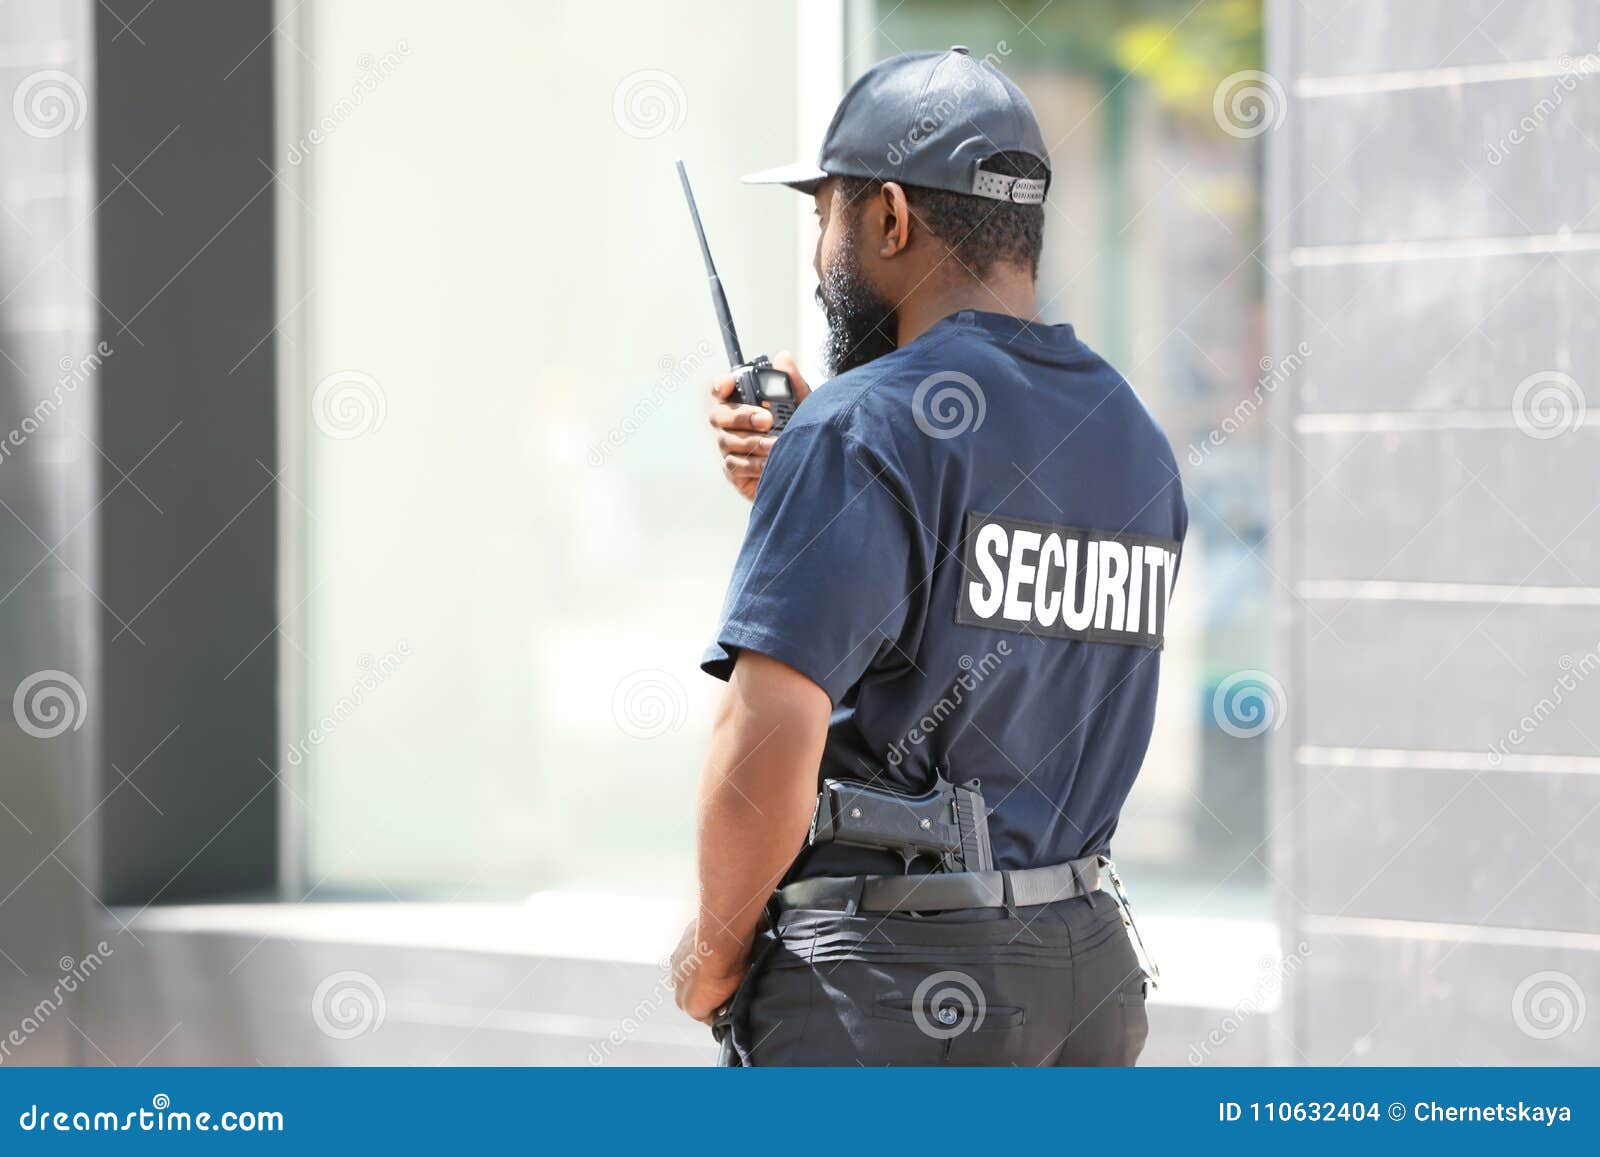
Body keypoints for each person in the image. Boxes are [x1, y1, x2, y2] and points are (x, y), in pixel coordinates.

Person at [671, 46, 1187, 1066]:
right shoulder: (1130, 433)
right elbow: (990, 608)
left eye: (825, 216)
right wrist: (811, 490)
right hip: (1082, 971)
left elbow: (767, 723)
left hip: (893, 985)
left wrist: (710, 955)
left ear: (890, 219)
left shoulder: (865, 430)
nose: (820, 253)